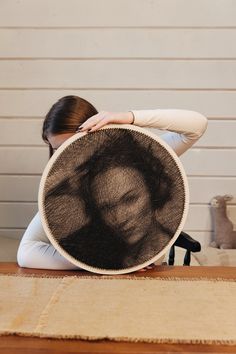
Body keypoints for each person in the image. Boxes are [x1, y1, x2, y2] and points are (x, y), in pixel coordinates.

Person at [17, 95, 208, 270]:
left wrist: (128, 117)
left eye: (75, 145)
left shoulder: (138, 160)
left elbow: (197, 125)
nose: (70, 158)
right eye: (59, 150)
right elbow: (26, 253)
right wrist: (103, 265)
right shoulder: (64, 189)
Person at [51, 129, 175, 269]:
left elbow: (194, 129)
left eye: (130, 199)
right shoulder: (98, 251)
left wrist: (130, 116)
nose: (119, 218)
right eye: (107, 208)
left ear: (153, 190)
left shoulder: (160, 245)